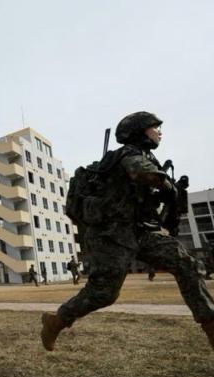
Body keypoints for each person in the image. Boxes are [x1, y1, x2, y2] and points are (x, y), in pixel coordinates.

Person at [41, 111, 214, 352]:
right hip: (111, 234)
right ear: (139, 131)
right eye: (155, 127)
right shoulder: (128, 154)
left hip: (142, 230)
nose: (160, 132)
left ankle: (211, 325)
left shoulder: (147, 156)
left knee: (186, 263)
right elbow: (142, 173)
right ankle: (56, 321)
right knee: (104, 293)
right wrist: (167, 186)